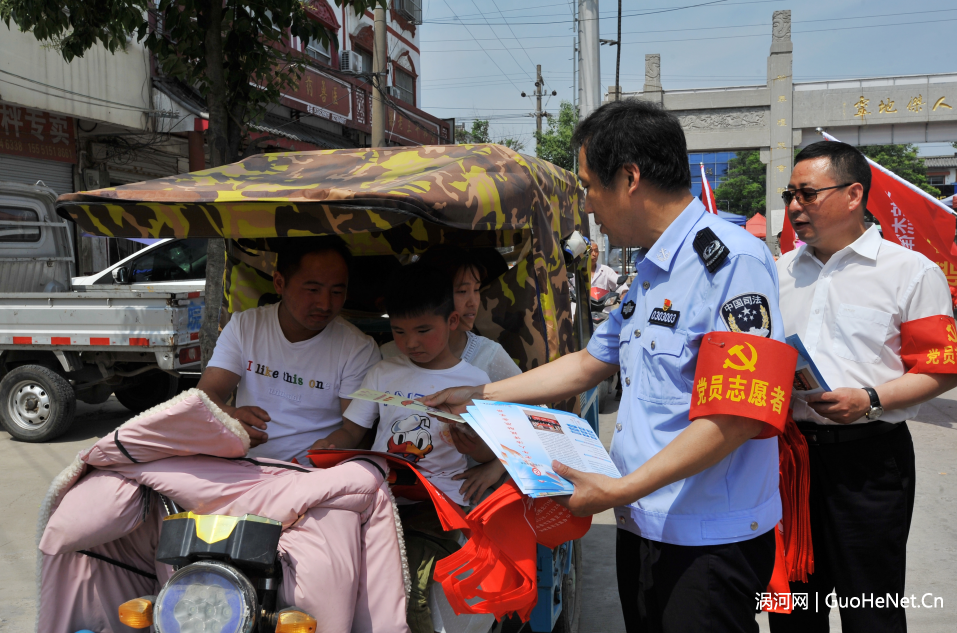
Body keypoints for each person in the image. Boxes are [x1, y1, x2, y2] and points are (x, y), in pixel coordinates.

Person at [423, 98, 788, 632]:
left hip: (707, 540)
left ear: (630, 178)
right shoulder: (652, 269)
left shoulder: (731, 263)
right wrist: (480, 396)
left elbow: (737, 417)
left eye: (589, 186)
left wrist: (619, 489)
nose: (587, 205)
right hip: (643, 521)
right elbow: (588, 363)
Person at [769, 141, 957, 632]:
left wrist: (871, 399)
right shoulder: (777, 273)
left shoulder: (910, 271)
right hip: (789, 461)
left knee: (871, 608)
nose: (794, 207)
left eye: (808, 194)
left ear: (854, 195)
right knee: (793, 610)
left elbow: (942, 368)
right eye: (790, 195)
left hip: (869, 463)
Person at [311, 262, 493, 633]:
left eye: (423, 330)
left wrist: (475, 446)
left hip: (440, 504)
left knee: (410, 586)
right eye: (399, 331)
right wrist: (331, 445)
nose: (410, 343)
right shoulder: (383, 371)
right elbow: (353, 429)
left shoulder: (475, 382)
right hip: (381, 495)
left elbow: (486, 453)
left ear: (452, 321)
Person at [197, 236, 380, 463]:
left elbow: (354, 430)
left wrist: (329, 449)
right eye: (312, 289)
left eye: (336, 292)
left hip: (315, 472)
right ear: (279, 283)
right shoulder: (245, 326)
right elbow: (205, 396)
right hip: (246, 466)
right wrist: (231, 416)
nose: (325, 304)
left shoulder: (358, 348)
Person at [381, 246, 520, 502]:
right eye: (461, 291)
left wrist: (496, 467)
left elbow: (532, 418)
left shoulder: (489, 356)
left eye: (476, 290)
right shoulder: (389, 356)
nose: (473, 302)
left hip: (463, 491)